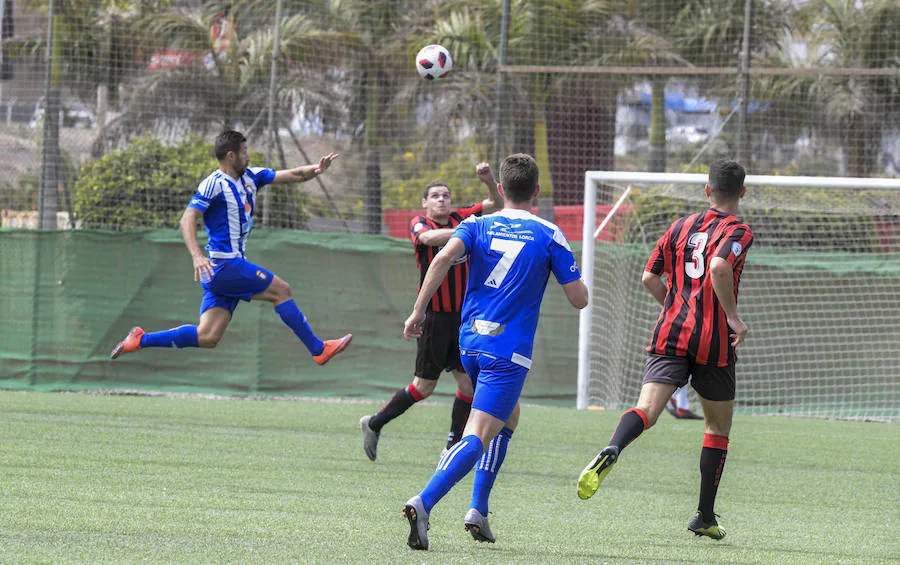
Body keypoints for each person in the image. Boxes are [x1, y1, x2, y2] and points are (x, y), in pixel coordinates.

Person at [400, 154, 589, 550]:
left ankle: (478, 510)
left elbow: (443, 258)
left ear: (500, 190)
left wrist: (418, 311)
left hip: (470, 343)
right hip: (507, 350)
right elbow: (578, 300)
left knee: (509, 416)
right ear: (536, 191)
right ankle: (424, 501)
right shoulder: (549, 234)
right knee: (479, 432)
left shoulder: (475, 224)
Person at [576, 159, 754, 540]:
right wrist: (734, 319)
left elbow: (648, 276)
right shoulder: (738, 229)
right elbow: (720, 266)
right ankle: (704, 515)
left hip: (670, 334)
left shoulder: (680, 226)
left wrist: (675, 308)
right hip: (713, 340)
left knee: (647, 410)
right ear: (742, 191)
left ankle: (613, 447)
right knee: (717, 427)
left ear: (707, 190)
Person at [110, 130, 352, 366]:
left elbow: (289, 175)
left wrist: (316, 170)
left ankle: (140, 340)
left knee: (207, 336)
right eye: (244, 151)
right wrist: (196, 256)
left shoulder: (251, 177)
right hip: (224, 265)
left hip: (222, 271)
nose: (248, 156)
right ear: (230, 156)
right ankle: (318, 350)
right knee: (281, 290)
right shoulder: (213, 184)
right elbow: (187, 219)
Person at [359, 164, 502, 461]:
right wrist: (470, 230)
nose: (441, 200)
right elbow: (428, 240)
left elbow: (496, 205)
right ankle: (373, 423)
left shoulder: (461, 217)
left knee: (467, 385)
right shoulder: (419, 223)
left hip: (462, 319)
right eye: (435, 196)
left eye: (446, 195)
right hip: (434, 318)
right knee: (423, 387)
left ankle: (451, 446)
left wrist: (489, 182)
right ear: (425, 202)